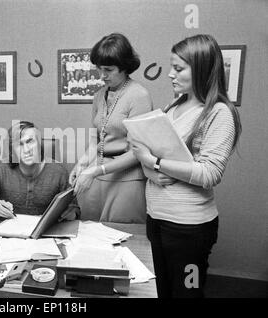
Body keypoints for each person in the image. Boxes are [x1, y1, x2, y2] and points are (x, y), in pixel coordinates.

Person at [129, 34, 242, 298]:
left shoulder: (220, 113)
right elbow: (149, 156)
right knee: (162, 291)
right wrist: (150, 169)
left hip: (188, 230)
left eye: (178, 68)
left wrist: (154, 162)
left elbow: (210, 173)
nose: (170, 74)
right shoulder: (174, 105)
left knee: (187, 292)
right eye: (171, 67)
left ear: (201, 69)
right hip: (157, 219)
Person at [69, 33, 153, 223]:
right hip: (95, 179)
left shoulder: (139, 96)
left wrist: (95, 171)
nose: (101, 76)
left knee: (124, 240)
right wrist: (82, 164)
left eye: (108, 69)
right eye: (99, 69)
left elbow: (137, 152)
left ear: (124, 66)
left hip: (126, 181)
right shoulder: (99, 95)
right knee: (91, 237)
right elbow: (95, 140)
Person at [0, 121, 78, 219]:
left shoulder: (58, 172)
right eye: (19, 145)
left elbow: (75, 210)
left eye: (30, 142)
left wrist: (70, 214)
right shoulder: (1, 168)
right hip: (8, 232)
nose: (26, 150)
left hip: (43, 236)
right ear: (12, 150)